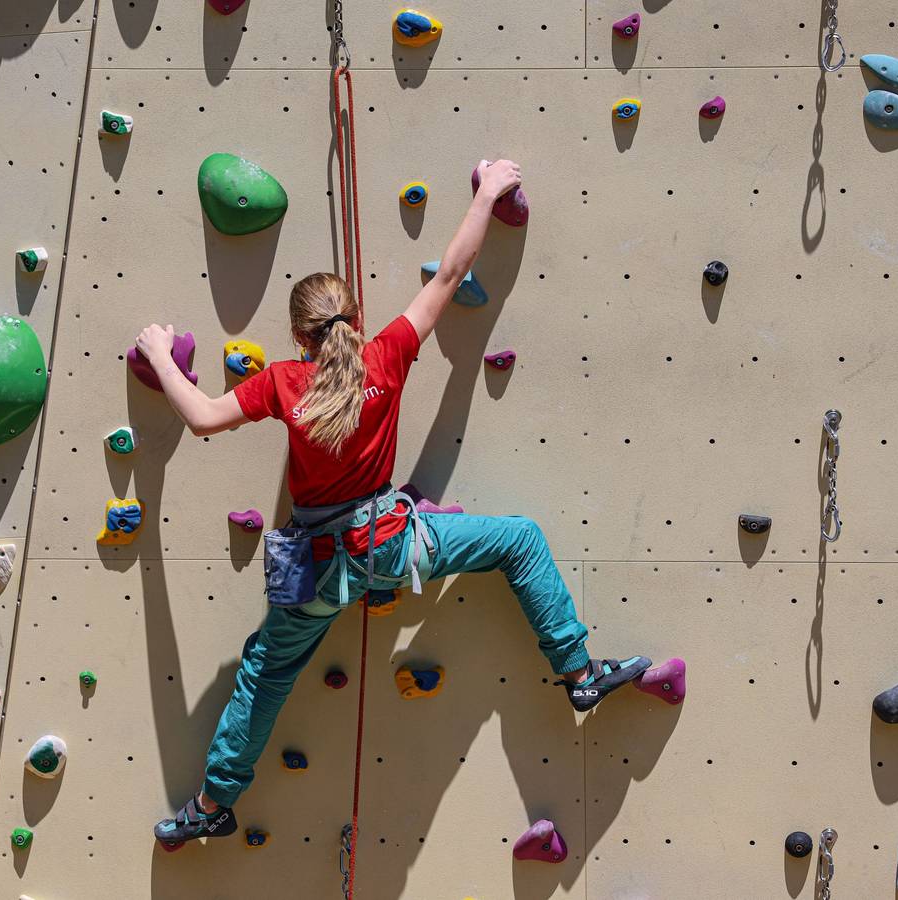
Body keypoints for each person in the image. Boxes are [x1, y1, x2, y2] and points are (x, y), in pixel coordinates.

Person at [138, 160, 652, 847]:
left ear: (299, 337)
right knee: (521, 539)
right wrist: (488, 193)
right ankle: (580, 673)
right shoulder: (386, 356)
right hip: (390, 548)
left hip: (316, 574)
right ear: (356, 318)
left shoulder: (286, 383)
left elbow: (202, 417)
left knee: (266, 671)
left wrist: (161, 355)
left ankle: (210, 805)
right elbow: (447, 276)